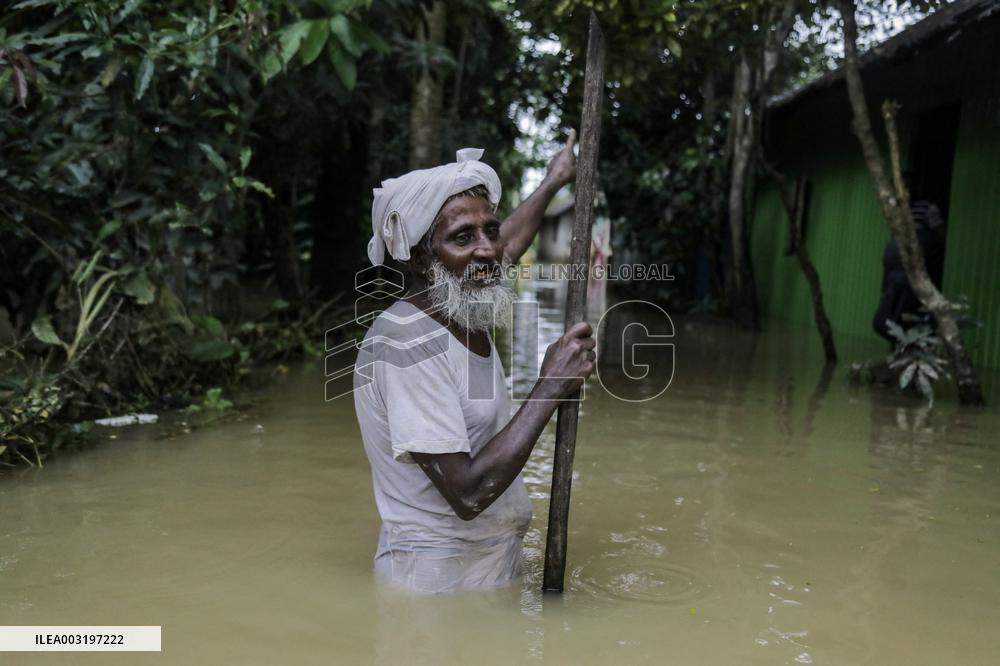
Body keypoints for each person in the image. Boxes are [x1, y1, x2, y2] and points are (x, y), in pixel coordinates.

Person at [352, 132, 596, 593]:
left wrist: (554, 179)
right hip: (435, 592)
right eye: (462, 237)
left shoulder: (463, 302)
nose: (486, 249)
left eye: (490, 231)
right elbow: (467, 492)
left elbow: (508, 244)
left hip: (489, 572)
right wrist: (550, 386)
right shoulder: (406, 343)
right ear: (421, 259)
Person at [872, 189, 947, 344]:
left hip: (904, 273)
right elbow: (941, 234)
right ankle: (908, 344)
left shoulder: (920, 210)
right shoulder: (901, 212)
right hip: (900, 272)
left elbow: (941, 235)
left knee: (894, 318)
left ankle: (908, 343)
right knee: (891, 319)